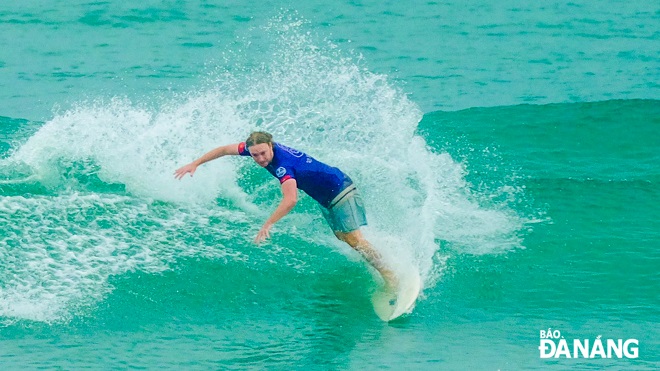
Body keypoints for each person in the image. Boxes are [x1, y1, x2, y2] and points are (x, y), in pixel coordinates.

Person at [174, 131, 397, 290]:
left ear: (271, 145)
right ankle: (383, 258)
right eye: (255, 155)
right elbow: (224, 150)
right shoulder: (256, 148)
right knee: (343, 237)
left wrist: (268, 224)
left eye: (263, 153)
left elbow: (290, 200)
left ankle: (391, 276)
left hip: (340, 191)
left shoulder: (283, 165)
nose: (260, 159)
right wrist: (196, 163)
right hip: (326, 195)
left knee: (354, 239)